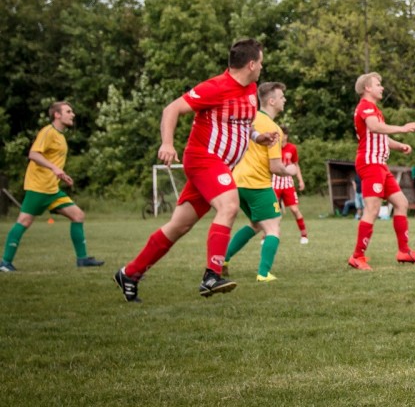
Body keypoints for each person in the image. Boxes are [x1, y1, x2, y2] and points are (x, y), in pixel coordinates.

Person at [114, 38, 277, 302]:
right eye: (260, 63)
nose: (261, 68)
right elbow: (172, 109)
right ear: (250, 64)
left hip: (219, 166)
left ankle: (129, 273)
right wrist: (167, 143)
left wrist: (258, 137)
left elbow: (241, 123)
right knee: (229, 205)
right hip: (203, 159)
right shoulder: (215, 87)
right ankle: (211, 275)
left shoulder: (251, 89)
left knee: (179, 225)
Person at [0, 102, 103, 272]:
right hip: (39, 187)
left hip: (53, 189)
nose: (73, 114)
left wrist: (61, 174)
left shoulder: (61, 136)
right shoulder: (47, 132)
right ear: (57, 115)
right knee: (24, 221)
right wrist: (54, 168)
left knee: (78, 215)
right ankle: (5, 263)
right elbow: (33, 153)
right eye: (68, 111)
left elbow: (53, 161)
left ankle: (82, 259)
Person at [347, 72, 415, 270]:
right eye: (378, 84)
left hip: (380, 164)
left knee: (401, 203)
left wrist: (400, 146)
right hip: (370, 163)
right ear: (367, 88)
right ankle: (357, 256)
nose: (382, 87)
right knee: (372, 209)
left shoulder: (374, 109)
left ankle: (404, 251)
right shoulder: (365, 107)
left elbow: (380, 136)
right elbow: (374, 128)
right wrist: (403, 128)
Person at [222, 82, 300, 282]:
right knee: (273, 227)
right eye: (282, 97)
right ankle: (263, 274)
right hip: (257, 183)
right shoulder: (273, 128)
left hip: (237, 182)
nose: (284, 100)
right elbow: (275, 167)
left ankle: (223, 259)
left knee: (256, 224)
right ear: (272, 101)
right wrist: (290, 170)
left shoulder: (249, 119)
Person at [273, 124, 308, 244]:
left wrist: (301, 180)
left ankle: (304, 234)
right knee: (273, 211)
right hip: (275, 183)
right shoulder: (273, 147)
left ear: (286, 136)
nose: (281, 137)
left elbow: (296, 165)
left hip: (288, 183)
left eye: (283, 134)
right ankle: (270, 235)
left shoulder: (292, 148)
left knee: (294, 209)